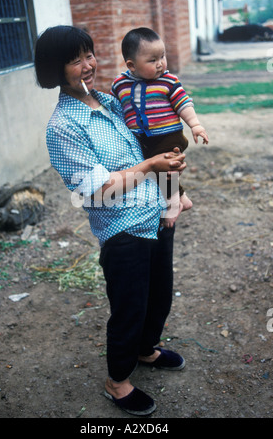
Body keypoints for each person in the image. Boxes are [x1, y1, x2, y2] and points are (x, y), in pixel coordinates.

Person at [34, 25, 187, 417]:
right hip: (122, 229)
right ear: (54, 69)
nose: (87, 66)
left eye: (89, 55)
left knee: (159, 295)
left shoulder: (110, 100)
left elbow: (151, 131)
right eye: (74, 60)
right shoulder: (63, 127)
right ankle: (117, 382)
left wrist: (171, 178)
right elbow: (96, 190)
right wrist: (152, 164)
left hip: (155, 214)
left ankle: (146, 349)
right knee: (130, 306)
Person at [111, 27, 209, 227]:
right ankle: (182, 198)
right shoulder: (120, 85)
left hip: (168, 136)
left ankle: (173, 204)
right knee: (154, 172)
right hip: (142, 139)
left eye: (162, 57)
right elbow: (116, 108)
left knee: (167, 169)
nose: (160, 64)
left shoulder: (168, 81)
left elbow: (183, 104)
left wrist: (195, 125)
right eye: (152, 60)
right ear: (132, 65)